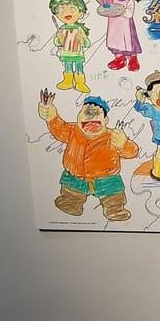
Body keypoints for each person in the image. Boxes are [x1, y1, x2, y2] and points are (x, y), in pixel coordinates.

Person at [37, 91, 139, 222]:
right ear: (78, 117)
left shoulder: (112, 137)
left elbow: (132, 152)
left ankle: (115, 209)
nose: (90, 120)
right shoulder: (73, 130)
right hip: (76, 177)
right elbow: (59, 129)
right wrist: (51, 117)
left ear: (106, 120)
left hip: (106, 179)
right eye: (85, 116)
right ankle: (71, 202)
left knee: (113, 195)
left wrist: (123, 144)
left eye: (96, 119)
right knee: (71, 191)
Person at [94, 0, 144, 72]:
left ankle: (132, 59)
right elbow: (106, 6)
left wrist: (120, 10)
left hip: (125, 27)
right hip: (114, 27)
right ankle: (119, 58)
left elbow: (129, 14)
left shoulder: (129, 1)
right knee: (115, 42)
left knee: (128, 42)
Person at [49, 0, 91, 93]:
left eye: (72, 9)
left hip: (78, 54)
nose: (67, 13)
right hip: (66, 54)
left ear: (80, 14)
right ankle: (68, 81)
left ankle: (80, 83)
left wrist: (82, 39)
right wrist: (59, 38)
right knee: (68, 67)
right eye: (62, 10)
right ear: (57, 14)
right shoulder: (62, 29)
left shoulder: (79, 29)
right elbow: (57, 42)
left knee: (79, 68)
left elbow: (87, 43)